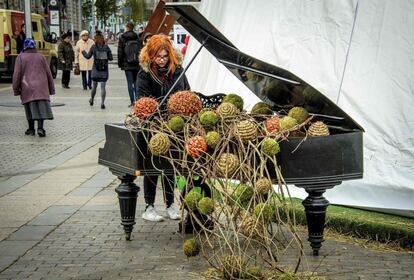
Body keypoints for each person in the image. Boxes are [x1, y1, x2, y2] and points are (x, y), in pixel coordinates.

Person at [137, 34, 190, 222]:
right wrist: (157, 108)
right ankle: (149, 206)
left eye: (165, 56)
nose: (161, 60)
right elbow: (142, 99)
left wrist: (181, 104)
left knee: (170, 166)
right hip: (153, 125)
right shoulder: (144, 73)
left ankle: (170, 205)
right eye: (157, 56)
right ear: (151, 55)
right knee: (151, 165)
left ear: (170, 55)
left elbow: (186, 92)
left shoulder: (177, 70)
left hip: (174, 125)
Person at [12, 38, 55, 137]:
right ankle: (41, 128)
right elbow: (49, 73)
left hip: (27, 86)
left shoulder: (21, 57)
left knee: (29, 107)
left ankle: (31, 129)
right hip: (41, 86)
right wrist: (51, 89)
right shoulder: (41, 57)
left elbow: (17, 74)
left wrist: (16, 89)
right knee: (42, 107)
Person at [82, 32, 113, 109]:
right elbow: (111, 58)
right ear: (102, 39)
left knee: (94, 86)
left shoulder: (93, 47)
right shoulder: (106, 47)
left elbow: (88, 56)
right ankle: (102, 103)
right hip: (104, 70)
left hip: (95, 69)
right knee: (103, 87)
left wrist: (83, 51)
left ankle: (92, 99)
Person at [117, 22, 143, 107]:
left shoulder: (122, 38)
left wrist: (120, 63)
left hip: (127, 63)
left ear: (127, 28)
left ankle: (132, 101)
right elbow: (140, 50)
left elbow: (120, 52)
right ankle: (137, 99)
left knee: (129, 83)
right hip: (136, 64)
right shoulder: (137, 37)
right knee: (136, 82)